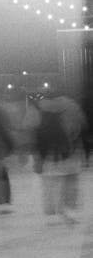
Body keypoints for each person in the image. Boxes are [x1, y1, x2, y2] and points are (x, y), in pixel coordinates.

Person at [34, 94, 87, 225]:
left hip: (50, 159)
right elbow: (81, 130)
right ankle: (68, 209)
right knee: (70, 184)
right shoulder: (73, 109)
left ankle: (52, 211)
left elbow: (39, 143)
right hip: (69, 157)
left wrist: (38, 161)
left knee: (51, 185)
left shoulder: (42, 120)